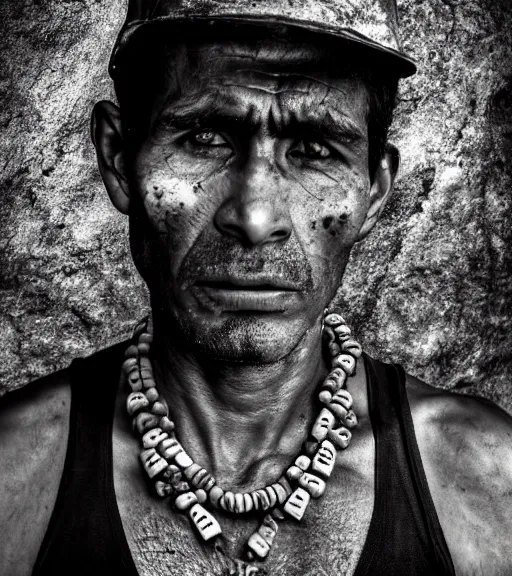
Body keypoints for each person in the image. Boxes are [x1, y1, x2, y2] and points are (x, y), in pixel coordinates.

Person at [1, 1, 511, 575]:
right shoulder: (13, 474)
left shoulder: (487, 482)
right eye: (204, 136)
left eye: (315, 149)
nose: (255, 215)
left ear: (373, 190)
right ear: (119, 159)